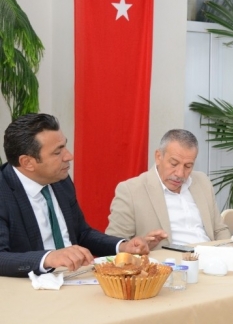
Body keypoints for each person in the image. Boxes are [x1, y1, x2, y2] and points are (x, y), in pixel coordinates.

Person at [0, 113, 149, 278]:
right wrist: (48, 258)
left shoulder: (60, 179)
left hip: (74, 277)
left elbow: (81, 233)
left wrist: (122, 247)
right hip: (29, 285)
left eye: (64, 146)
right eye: (57, 152)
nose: (69, 156)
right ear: (27, 162)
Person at [106, 129, 230, 249]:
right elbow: (114, 243)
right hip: (168, 260)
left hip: (210, 257)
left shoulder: (202, 182)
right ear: (158, 156)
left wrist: (230, 252)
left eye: (188, 166)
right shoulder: (131, 190)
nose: (180, 173)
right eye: (174, 164)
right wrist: (139, 245)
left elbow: (219, 230)